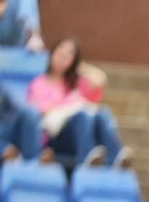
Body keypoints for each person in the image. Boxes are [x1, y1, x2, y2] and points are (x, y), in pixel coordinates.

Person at [27, 38, 129, 168]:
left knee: (102, 113)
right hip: (55, 138)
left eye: (68, 55)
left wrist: (80, 66)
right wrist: (69, 107)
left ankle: (115, 157)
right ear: (52, 53)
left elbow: (100, 79)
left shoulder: (75, 84)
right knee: (81, 116)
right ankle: (87, 157)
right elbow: (39, 111)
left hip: (82, 131)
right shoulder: (39, 84)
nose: (62, 58)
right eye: (60, 53)